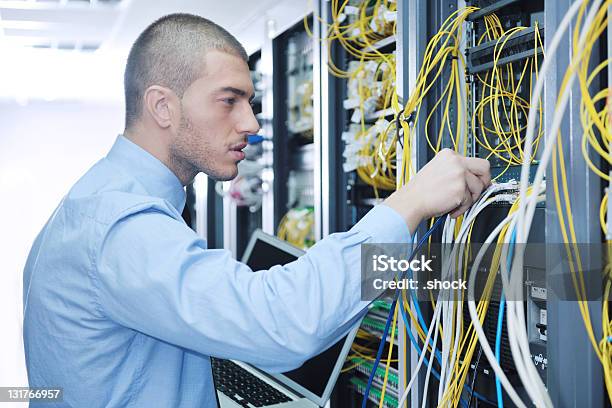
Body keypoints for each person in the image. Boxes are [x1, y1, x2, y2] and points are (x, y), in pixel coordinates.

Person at [22, 13, 491, 408]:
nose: (250, 123)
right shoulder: (122, 229)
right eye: (229, 100)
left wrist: (526, 272)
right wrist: (409, 201)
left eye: (250, 100)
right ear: (162, 107)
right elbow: (283, 322)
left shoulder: (95, 203)